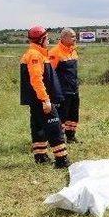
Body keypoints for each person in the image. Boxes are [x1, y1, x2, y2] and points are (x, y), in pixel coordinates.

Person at [20, 25, 70, 168]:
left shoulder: (36, 53)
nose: (48, 40)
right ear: (41, 40)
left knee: (38, 128)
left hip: (36, 100)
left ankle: (40, 156)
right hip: (41, 99)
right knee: (54, 126)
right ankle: (62, 160)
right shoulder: (35, 55)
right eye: (47, 38)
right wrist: (45, 100)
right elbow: (36, 79)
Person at [49, 28, 80, 143]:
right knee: (61, 116)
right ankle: (59, 139)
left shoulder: (74, 51)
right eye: (72, 36)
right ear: (63, 38)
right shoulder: (54, 52)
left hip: (74, 89)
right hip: (62, 91)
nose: (75, 38)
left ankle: (71, 137)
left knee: (73, 115)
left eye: (74, 36)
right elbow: (49, 73)